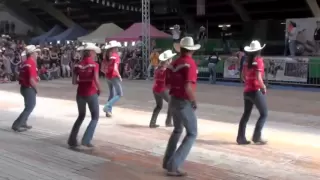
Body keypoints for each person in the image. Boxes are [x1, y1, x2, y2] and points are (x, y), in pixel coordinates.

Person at [163, 37, 200, 176]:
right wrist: (194, 101)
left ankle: (167, 162)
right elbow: (188, 86)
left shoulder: (173, 63)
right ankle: (174, 165)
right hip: (183, 101)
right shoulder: (189, 63)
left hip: (173, 100)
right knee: (192, 133)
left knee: (177, 130)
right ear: (191, 50)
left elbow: (167, 85)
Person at [68, 43, 102, 148]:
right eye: (95, 52)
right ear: (91, 52)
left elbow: (74, 82)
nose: (95, 54)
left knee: (81, 116)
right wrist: (99, 89)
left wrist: (82, 80)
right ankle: (86, 140)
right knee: (95, 117)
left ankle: (72, 140)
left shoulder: (77, 65)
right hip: (91, 93)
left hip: (80, 94)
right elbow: (96, 79)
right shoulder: (94, 65)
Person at [237, 40, 268, 145]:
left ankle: (240, 137)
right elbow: (259, 78)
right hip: (255, 90)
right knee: (264, 113)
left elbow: (242, 76)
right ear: (259, 50)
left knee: (246, 114)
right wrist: (263, 87)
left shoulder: (246, 61)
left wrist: (248, 82)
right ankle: (256, 136)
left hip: (247, 91)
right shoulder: (259, 61)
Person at [12, 45, 40, 132]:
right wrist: (36, 88)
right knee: (30, 106)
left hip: (24, 87)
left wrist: (36, 78)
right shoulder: (31, 63)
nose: (37, 54)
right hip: (29, 88)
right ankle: (17, 125)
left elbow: (21, 76)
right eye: (36, 52)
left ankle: (23, 122)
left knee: (28, 106)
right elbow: (31, 80)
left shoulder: (24, 63)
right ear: (32, 54)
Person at [149, 50, 175, 128]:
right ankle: (168, 122)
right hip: (162, 90)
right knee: (172, 103)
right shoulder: (165, 70)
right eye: (171, 59)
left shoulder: (158, 69)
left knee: (159, 106)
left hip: (156, 89)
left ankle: (152, 123)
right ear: (168, 60)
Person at [103, 41, 123, 117]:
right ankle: (107, 106)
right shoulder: (116, 56)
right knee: (119, 94)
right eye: (117, 47)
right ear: (114, 48)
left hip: (108, 77)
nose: (117, 49)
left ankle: (108, 111)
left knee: (111, 94)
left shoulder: (107, 56)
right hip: (114, 76)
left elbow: (104, 68)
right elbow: (115, 68)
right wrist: (119, 76)